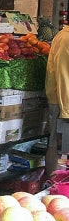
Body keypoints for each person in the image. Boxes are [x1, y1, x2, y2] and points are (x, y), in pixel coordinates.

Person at [44, 23, 69, 176]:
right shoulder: (66, 38)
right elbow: (63, 76)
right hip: (62, 102)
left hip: (64, 102)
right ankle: (53, 186)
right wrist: (66, 111)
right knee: (59, 147)